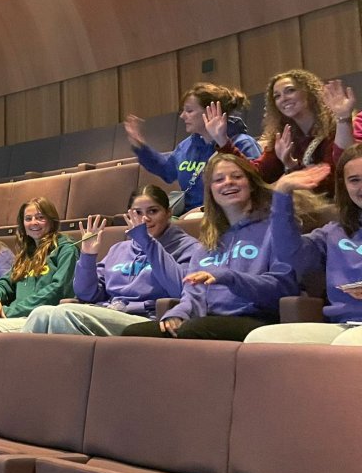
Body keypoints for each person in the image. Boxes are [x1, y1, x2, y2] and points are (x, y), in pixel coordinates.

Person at [122, 154, 298, 341]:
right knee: (134, 334)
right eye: (219, 179)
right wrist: (178, 313)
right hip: (208, 321)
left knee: (193, 329)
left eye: (237, 177)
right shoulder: (209, 241)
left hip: (257, 317)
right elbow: (193, 292)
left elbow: (284, 286)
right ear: (211, 191)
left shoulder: (275, 229)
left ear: (252, 184)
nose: (228, 183)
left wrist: (230, 278)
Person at [22, 186, 202, 336]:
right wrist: (88, 256)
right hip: (109, 311)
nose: (145, 219)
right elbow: (87, 294)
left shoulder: (188, 247)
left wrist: (148, 244)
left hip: (146, 318)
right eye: (137, 213)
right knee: (41, 313)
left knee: (63, 315)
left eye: (153, 211)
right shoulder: (119, 249)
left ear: (168, 213)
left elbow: (179, 289)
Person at [245, 148, 362, 344]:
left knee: (346, 345)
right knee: (260, 340)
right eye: (354, 180)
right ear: (345, 186)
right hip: (342, 325)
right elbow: (290, 257)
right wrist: (282, 194)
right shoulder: (333, 232)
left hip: (350, 338)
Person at [209, 71, 353, 197]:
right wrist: (223, 141)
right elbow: (257, 175)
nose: (283, 98)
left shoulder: (336, 129)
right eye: (277, 96)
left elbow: (335, 182)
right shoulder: (284, 136)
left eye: (290, 90)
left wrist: (292, 166)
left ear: (309, 93)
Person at [124, 83, 260, 214]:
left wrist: (203, 210)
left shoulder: (242, 144)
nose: (182, 116)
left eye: (189, 110)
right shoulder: (186, 146)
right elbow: (167, 170)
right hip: (189, 216)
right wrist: (141, 147)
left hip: (228, 213)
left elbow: (258, 184)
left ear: (211, 111)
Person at [0, 198, 77, 332]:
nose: (34, 223)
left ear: (52, 221)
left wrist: (10, 311)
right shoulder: (26, 255)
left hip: (41, 319)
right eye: (28, 218)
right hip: (17, 316)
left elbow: (58, 291)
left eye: (40, 217)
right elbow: (2, 283)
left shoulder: (67, 249)